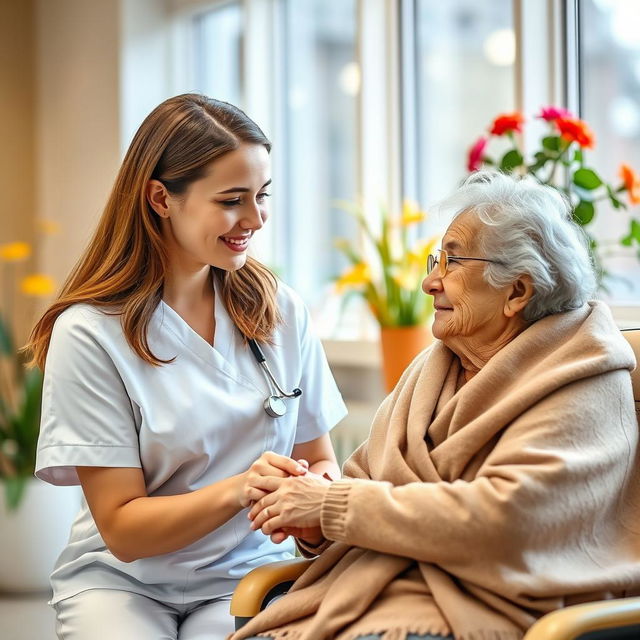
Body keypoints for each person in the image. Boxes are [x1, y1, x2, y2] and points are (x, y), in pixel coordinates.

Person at [232, 170, 640, 640]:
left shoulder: (581, 375)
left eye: (452, 263)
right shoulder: (435, 368)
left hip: (490, 605)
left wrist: (330, 505)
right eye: (435, 261)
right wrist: (308, 516)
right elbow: (362, 482)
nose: (430, 283)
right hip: (383, 590)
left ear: (518, 291)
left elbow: (508, 522)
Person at [28, 93, 346, 639]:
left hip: (245, 577)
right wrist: (243, 487)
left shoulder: (281, 310)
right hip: (122, 581)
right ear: (160, 198)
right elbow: (124, 529)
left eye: (262, 195)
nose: (254, 219)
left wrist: (314, 510)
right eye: (231, 200)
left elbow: (318, 459)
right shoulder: (89, 332)